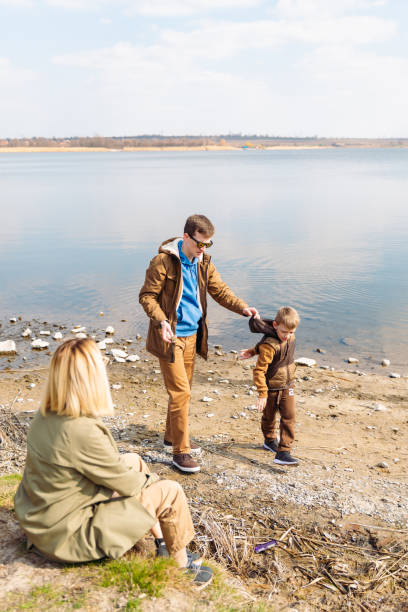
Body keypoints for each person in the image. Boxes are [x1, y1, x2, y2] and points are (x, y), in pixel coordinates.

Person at [14, 338, 212, 588]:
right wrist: (155, 485)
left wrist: (143, 482)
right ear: (91, 380)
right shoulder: (80, 430)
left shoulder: (46, 416)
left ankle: (162, 543)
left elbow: (111, 469)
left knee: (134, 460)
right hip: (65, 538)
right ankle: (181, 568)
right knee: (171, 492)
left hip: (43, 520)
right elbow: (129, 485)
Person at [139, 214, 258, 473]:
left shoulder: (203, 263)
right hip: (169, 338)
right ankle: (180, 452)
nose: (203, 249)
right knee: (181, 392)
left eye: (208, 244)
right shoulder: (163, 261)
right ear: (186, 237)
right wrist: (161, 322)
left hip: (193, 336)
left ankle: (172, 437)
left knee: (182, 392)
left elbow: (220, 291)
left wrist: (243, 308)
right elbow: (147, 296)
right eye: (199, 243)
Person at [240, 307, 300, 466]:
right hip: (271, 387)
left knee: (289, 417)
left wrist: (252, 351)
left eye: (291, 332)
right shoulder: (270, 345)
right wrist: (262, 394)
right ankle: (269, 440)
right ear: (275, 325)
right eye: (284, 332)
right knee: (269, 417)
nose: (287, 336)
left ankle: (283, 452)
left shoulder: (290, 338)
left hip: (288, 384)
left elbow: (267, 348)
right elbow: (259, 370)